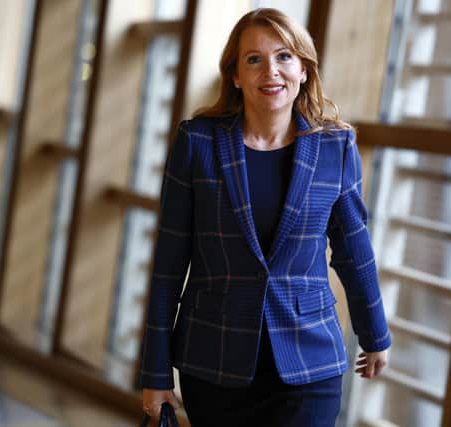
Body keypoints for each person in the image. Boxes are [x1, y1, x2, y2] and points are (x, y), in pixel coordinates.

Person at [140, 8, 391, 427]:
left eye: (284, 57)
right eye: (254, 59)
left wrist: (374, 333)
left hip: (309, 359)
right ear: (235, 75)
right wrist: (155, 372)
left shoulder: (336, 145)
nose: (271, 71)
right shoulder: (197, 143)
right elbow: (168, 264)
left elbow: (353, 248)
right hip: (214, 359)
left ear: (305, 69)